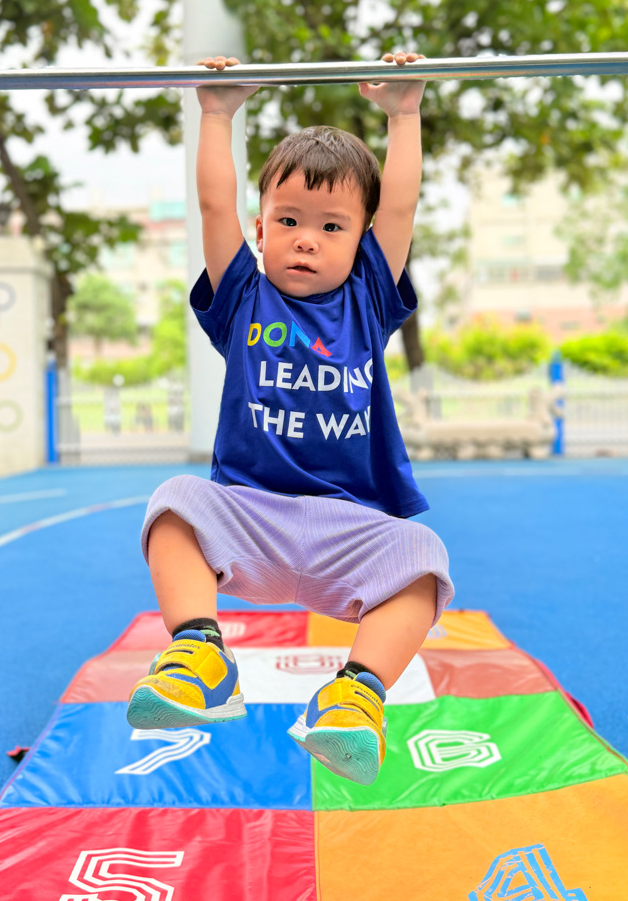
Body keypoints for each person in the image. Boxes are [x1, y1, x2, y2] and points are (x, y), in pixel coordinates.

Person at [127, 51, 454, 785]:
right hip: (250, 514)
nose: (307, 238)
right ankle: (200, 654)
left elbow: (400, 207)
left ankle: (355, 695)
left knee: (424, 558)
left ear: (361, 240)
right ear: (262, 228)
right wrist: (217, 114)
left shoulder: (368, 299)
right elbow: (214, 207)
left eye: (333, 226)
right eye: (289, 220)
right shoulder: (243, 296)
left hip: (347, 526)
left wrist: (405, 114)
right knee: (174, 502)